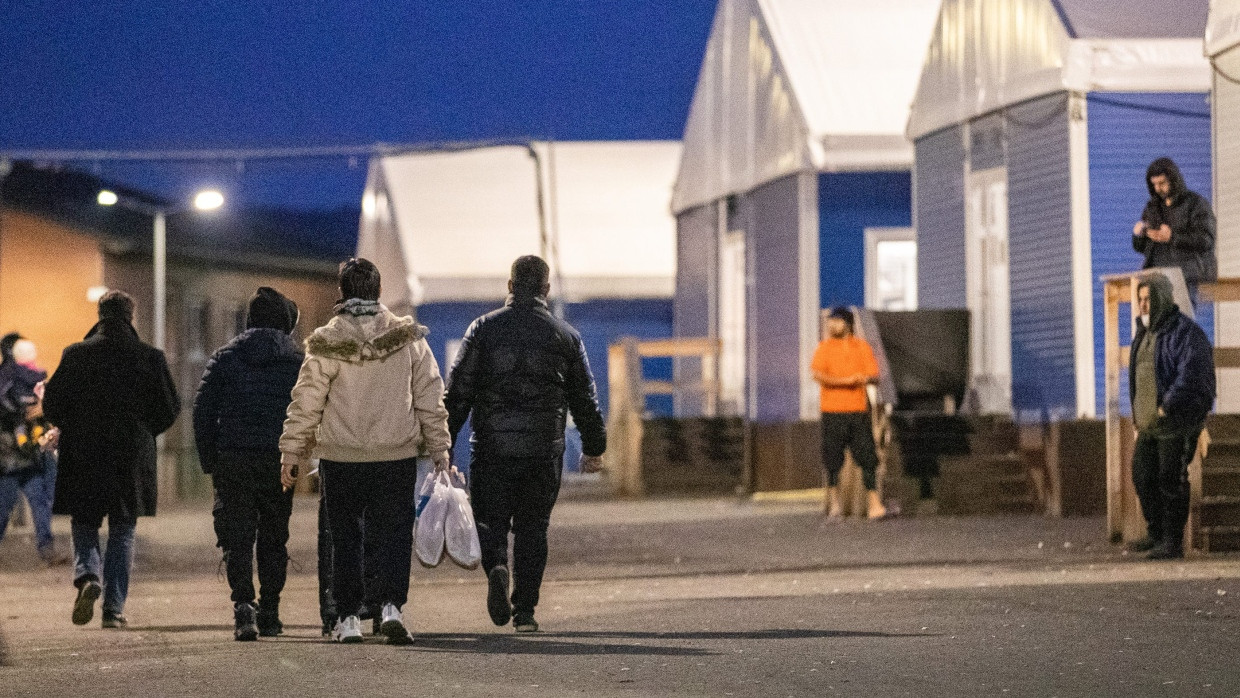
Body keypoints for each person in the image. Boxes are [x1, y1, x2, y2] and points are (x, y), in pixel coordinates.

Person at [280, 258, 451, 645]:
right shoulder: (408, 338)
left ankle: (348, 617)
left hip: (342, 459)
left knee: (345, 538)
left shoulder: (325, 341)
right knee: (393, 535)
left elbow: (307, 401)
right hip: (396, 456)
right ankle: (391, 607)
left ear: (342, 291)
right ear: (378, 290)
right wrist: (439, 446)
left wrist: (292, 453)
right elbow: (430, 394)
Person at [445, 255, 606, 633]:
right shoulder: (566, 336)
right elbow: (585, 397)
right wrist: (594, 445)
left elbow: (458, 394)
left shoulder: (482, 329)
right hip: (543, 450)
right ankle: (526, 612)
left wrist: (442, 444)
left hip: (491, 449)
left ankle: (497, 566)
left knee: (490, 521)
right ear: (546, 290)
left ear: (510, 286)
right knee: (534, 529)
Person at [42, 291, 180, 628]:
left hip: (83, 453)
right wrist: (144, 433)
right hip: (130, 456)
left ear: (100, 315)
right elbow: (170, 408)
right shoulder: (150, 357)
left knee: (84, 521)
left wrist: (69, 427)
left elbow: (53, 404)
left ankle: (88, 574)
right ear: (131, 316)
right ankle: (113, 610)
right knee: (123, 529)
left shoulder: (75, 354)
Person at [193, 287, 303, 641]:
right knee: (274, 536)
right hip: (279, 460)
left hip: (234, 458)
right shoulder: (297, 362)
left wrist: (210, 458)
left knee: (237, 537)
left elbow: (203, 410)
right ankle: (270, 611)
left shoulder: (225, 358)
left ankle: (244, 608)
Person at [1128, 273, 1215, 560]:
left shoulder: (1186, 333)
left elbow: (1191, 374)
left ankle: (1172, 541)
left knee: (1171, 479)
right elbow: (1137, 379)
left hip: (1176, 422)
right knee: (1142, 475)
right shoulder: (1144, 333)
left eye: (1147, 299)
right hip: (1149, 425)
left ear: (1161, 298)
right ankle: (1156, 534)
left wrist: (1167, 406)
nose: (1142, 305)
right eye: (1139, 300)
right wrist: (1138, 418)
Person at [810, 306, 884, 521]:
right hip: (832, 411)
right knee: (832, 457)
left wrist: (864, 379)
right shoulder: (824, 348)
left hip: (857, 410)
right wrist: (847, 381)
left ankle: (874, 502)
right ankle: (833, 502)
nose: (832, 325)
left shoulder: (861, 347)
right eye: (831, 321)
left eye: (837, 321)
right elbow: (818, 374)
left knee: (867, 455)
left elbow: (873, 374)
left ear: (848, 324)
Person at [0, 335, 68, 565]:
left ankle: (47, 549)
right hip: (12, 458)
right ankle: (46, 549)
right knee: (6, 506)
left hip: (23, 457)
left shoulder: (18, 381)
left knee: (38, 502)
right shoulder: (11, 382)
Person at [1132, 157, 1217, 304]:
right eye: (1154, 184)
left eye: (1162, 183)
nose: (1158, 189)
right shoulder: (1153, 207)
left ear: (1173, 180)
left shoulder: (1196, 204)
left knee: (1181, 321)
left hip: (1188, 275)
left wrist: (1172, 237)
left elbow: (1206, 240)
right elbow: (1142, 248)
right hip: (1155, 276)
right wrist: (1138, 235)